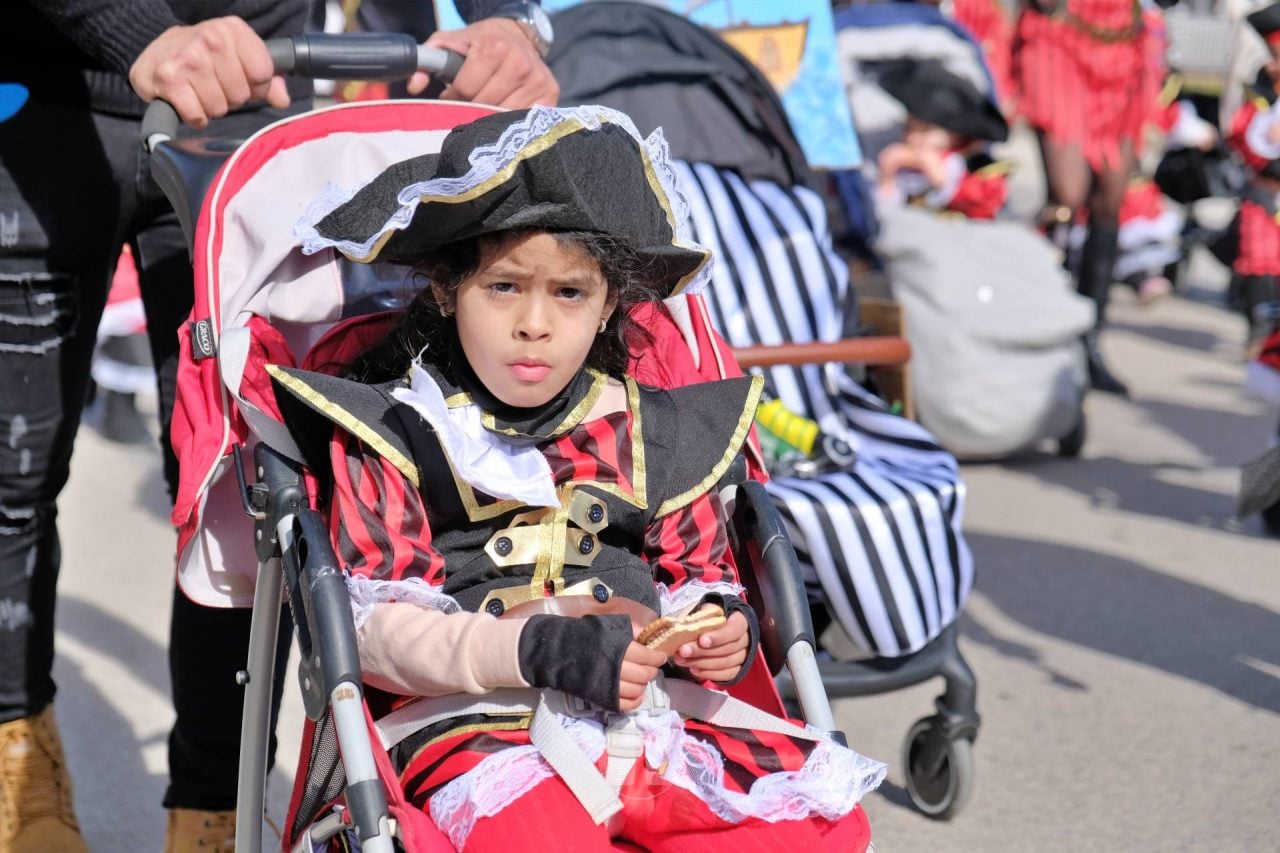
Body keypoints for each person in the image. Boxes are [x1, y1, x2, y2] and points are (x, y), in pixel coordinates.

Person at [0, 3, 555, 851]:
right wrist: (134, 32)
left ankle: (217, 803)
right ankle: (16, 750)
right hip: (46, 94)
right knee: (13, 477)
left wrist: (508, 20)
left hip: (247, 93)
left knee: (251, 480)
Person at [269, 105, 885, 851]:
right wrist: (532, 649)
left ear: (608, 306)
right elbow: (374, 633)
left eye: (569, 293)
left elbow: (700, 572)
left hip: (650, 718)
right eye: (503, 288)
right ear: (446, 289)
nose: (535, 323)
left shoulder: (654, 431)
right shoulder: (395, 432)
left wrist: (719, 626)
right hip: (475, 729)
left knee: (824, 824)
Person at [1011, 0, 1163, 397]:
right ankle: (1039, 328)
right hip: (1062, 32)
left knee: (1111, 199)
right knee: (1067, 195)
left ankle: (1088, 341)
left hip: (1124, 41)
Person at [873, 59, 1012, 220]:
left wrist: (925, 163)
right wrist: (887, 175)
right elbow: (887, 201)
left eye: (924, 131)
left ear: (953, 136)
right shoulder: (905, 163)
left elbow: (942, 184)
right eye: (909, 129)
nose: (913, 137)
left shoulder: (954, 162)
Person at [1226, 2, 1280, 356]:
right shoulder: (1262, 92)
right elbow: (1242, 135)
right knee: (1260, 259)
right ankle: (1258, 330)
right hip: (1265, 192)